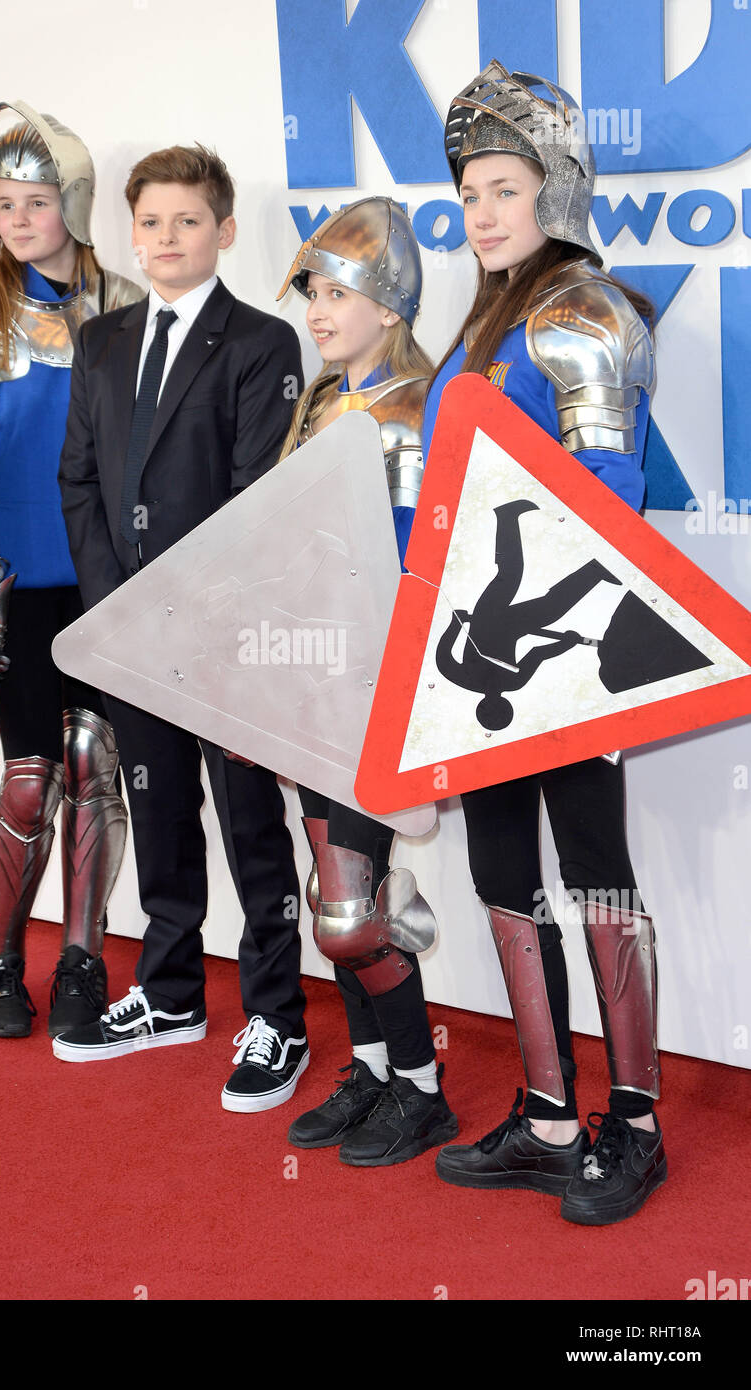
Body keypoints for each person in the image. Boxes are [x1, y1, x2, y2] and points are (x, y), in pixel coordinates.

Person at [426, 61, 663, 1224]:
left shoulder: (582, 312)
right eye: (471, 191)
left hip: (571, 657)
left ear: (555, 190)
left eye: (505, 187)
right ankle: (550, 1111)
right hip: (473, 660)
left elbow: (607, 500)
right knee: (503, 879)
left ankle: (638, 1123)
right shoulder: (483, 325)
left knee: (598, 874)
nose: (483, 211)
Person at [54, 144, 309, 1114]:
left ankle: (276, 1014)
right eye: (151, 222)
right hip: (129, 628)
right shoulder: (102, 343)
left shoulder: (262, 344)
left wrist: (192, 613)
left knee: (252, 827)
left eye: (187, 221)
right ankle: (169, 995)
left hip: (227, 632)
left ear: (225, 230)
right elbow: (80, 481)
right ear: (132, 233)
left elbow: (258, 501)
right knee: (157, 810)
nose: (166, 238)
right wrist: (116, 602)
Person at [0, 101, 142, 1041]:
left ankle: (85, 957)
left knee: (100, 767)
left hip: (106, 579)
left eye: (37, 200)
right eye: (5, 201)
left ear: (73, 206)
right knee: (30, 774)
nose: (17, 218)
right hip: (18, 580)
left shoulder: (129, 308)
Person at [275, 198, 459, 1165]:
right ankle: (378, 1071)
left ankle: (423, 1089)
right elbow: (285, 548)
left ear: (388, 308)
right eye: (314, 290)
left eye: (337, 292)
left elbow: (414, 568)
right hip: (309, 680)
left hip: (376, 688)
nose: (318, 308)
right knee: (331, 896)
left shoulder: (420, 406)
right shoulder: (316, 402)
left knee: (356, 909)